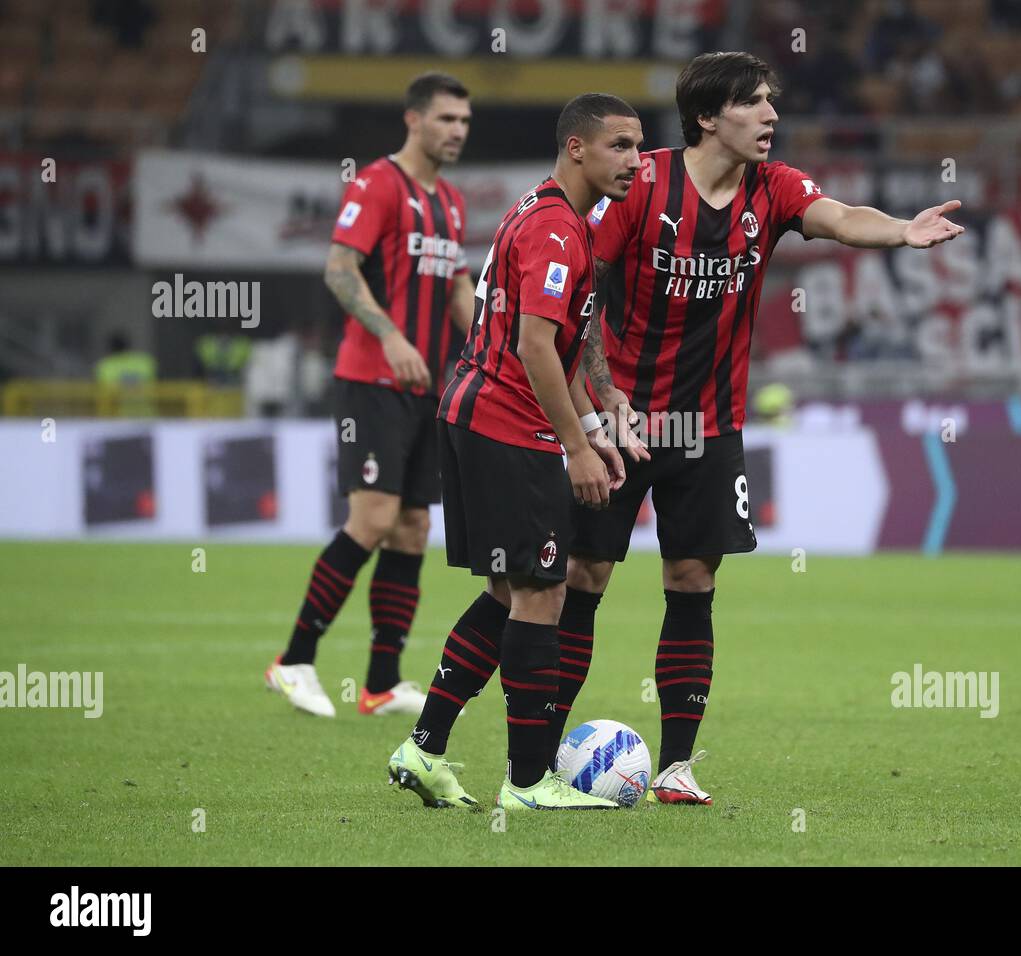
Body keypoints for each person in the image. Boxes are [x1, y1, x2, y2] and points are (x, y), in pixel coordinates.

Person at [560, 51, 963, 804]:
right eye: (753, 102)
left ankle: (676, 767)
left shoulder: (772, 189)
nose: (771, 114)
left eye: (772, 100)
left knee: (693, 579)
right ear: (709, 116)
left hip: (709, 426)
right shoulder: (641, 182)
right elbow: (585, 286)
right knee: (584, 577)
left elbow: (841, 218)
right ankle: (546, 748)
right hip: (623, 420)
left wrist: (901, 231)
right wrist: (601, 396)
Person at [386, 93, 645, 811]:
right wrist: (577, 448)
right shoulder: (560, 231)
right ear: (577, 148)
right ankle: (529, 783)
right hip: (506, 424)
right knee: (543, 592)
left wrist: (594, 428)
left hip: (480, 416)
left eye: (639, 146)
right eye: (620, 146)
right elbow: (535, 345)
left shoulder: (549, 215)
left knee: (509, 590)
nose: (634, 161)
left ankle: (424, 747)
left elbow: (563, 344)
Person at [264, 73, 474, 718]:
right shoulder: (378, 184)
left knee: (412, 528)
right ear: (413, 120)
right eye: (445, 119)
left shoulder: (453, 203)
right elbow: (338, 267)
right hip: (371, 380)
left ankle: (382, 682)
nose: (457, 131)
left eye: (464, 121)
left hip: (427, 388)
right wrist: (389, 336)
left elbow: (458, 284)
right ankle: (294, 661)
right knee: (374, 519)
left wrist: (493, 346)